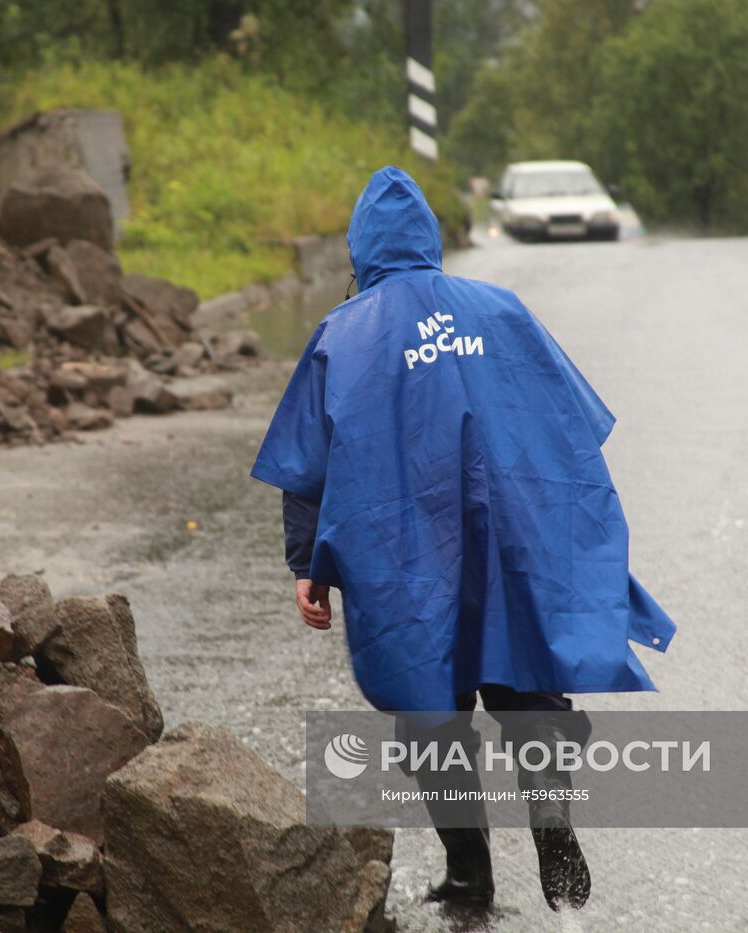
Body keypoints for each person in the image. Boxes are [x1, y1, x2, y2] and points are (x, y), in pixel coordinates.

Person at [251, 166, 675, 914]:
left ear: (361, 250)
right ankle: (549, 815)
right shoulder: (502, 310)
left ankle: (471, 873)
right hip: (509, 538)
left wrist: (304, 565)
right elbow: (568, 427)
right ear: (428, 240)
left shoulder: (340, 335)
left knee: (431, 710)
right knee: (525, 683)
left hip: (407, 555)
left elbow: (305, 465)